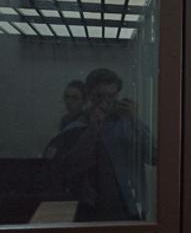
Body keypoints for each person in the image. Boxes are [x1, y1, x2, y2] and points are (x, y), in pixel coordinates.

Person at [50, 68, 155, 221]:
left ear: (117, 95)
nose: (106, 102)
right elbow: (67, 169)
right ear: (89, 96)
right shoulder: (76, 128)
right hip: (93, 212)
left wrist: (134, 120)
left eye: (111, 96)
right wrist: (92, 130)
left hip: (131, 208)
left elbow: (154, 156)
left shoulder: (127, 123)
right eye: (99, 96)